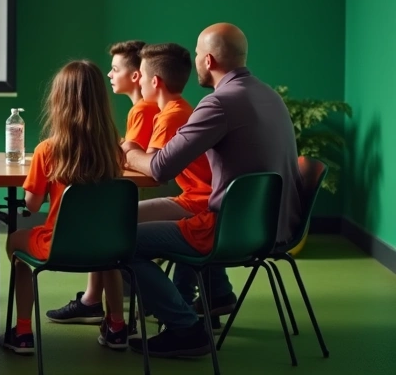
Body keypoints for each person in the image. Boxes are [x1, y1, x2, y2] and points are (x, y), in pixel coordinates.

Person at [122, 23, 302, 358]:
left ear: (208, 60)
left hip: (230, 232)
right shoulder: (270, 96)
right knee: (193, 212)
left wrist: (130, 151)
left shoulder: (219, 103)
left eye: (197, 54)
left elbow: (160, 168)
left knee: (122, 242)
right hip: (275, 227)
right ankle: (213, 294)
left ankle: (185, 329)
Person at [49, 43, 214, 349]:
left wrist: (126, 150)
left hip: (197, 203)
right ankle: (195, 299)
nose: (115, 75)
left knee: (113, 232)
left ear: (153, 81)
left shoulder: (167, 115)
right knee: (112, 226)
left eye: (141, 75)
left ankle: (112, 308)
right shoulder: (174, 110)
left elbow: (153, 167)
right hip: (195, 199)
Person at [2, 60, 125, 355]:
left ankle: (23, 331)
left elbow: (31, 205)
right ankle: (118, 327)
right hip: (103, 244)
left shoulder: (47, 150)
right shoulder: (114, 151)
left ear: (59, 102)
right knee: (111, 260)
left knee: (15, 243)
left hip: (57, 245)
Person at [107, 40, 161, 150]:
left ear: (135, 76)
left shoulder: (142, 110)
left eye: (115, 70)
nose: (109, 74)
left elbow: (131, 155)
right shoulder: (150, 106)